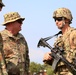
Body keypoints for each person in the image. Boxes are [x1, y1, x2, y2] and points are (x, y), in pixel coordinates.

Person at [43, 7, 76, 75]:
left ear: (66, 19)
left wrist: (68, 57)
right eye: (55, 20)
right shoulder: (59, 39)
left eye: (59, 19)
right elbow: (57, 63)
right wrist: (49, 57)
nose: (56, 22)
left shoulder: (73, 34)